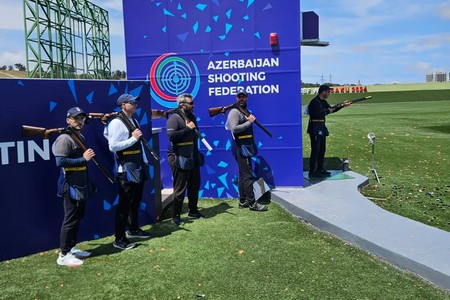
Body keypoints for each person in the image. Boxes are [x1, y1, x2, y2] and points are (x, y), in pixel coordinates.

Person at [104, 93, 151, 250]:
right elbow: (112, 146)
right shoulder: (116, 123)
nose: (135, 104)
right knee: (124, 205)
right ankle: (119, 238)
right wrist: (133, 139)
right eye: (132, 102)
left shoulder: (133, 120)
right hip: (126, 169)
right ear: (123, 105)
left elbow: (138, 144)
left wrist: (144, 160)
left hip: (137, 165)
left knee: (135, 201)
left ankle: (133, 229)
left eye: (135, 102)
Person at [52, 107, 95, 267]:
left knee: (77, 217)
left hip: (80, 184)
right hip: (69, 184)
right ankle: (63, 254)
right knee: (70, 219)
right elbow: (60, 162)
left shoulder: (78, 136)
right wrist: (83, 159)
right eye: (76, 118)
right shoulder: (64, 139)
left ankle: (71, 248)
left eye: (82, 118)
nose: (80, 121)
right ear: (68, 120)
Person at [166, 93, 205, 226]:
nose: (193, 105)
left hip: (192, 155)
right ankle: (175, 216)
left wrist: (197, 155)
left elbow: (194, 138)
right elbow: (172, 136)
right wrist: (187, 129)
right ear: (182, 105)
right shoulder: (174, 119)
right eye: (191, 103)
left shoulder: (192, 117)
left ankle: (193, 211)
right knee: (180, 187)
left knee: (194, 184)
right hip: (178, 156)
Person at [226, 90, 268, 211]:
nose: (241, 98)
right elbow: (234, 129)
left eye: (243, 96)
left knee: (243, 175)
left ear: (247, 98)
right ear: (236, 98)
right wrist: (249, 122)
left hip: (245, 147)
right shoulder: (234, 111)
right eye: (239, 96)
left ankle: (243, 201)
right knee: (247, 175)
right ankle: (252, 203)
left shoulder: (243, 111)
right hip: (240, 147)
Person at [307, 85, 351, 178]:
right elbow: (320, 113)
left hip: (321, 127)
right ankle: (313, 171)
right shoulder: (314, 102)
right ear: (323, 92)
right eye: (328, 92)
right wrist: (330, 110)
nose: (329, 94)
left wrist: (342, 105)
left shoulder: (323, 102)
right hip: (315, 128)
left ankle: (320, 168)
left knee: (322, 149)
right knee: (316, 150)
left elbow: (332, 109)